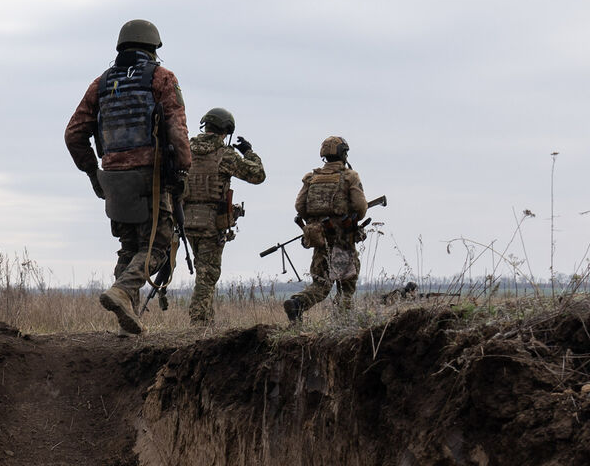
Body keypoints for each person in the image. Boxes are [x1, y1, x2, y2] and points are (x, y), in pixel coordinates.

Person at [64, 19, 191, 334]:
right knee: (158, 247)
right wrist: (184, 167)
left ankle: (127, 321)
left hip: (115, 180)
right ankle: (122, 292)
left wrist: (95, 174)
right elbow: (177, 129)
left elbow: (73, 134)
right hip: (151, 179)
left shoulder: (101, 84)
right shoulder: (161, 78)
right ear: (152, 48)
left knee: (129, 246)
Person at [184, 108, 266, 325]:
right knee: (208, 274)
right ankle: (198, 321)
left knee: (203, 271)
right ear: (226, 130)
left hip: (187, 220)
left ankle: (206, 323)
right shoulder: (225, 154)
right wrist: (248, 152)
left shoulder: (186, 151)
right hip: (212, 222)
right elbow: (258, 175)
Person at [283, 136, 367, 322]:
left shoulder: (311, 178)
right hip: (343, 240)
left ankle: (297, 303)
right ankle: (342, 322)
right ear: (343, 154)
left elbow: (300, 207)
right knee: (346, 284)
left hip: (319, 238)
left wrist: (316, 222)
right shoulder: (349, 177)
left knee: (321, 284)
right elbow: (361, 208)